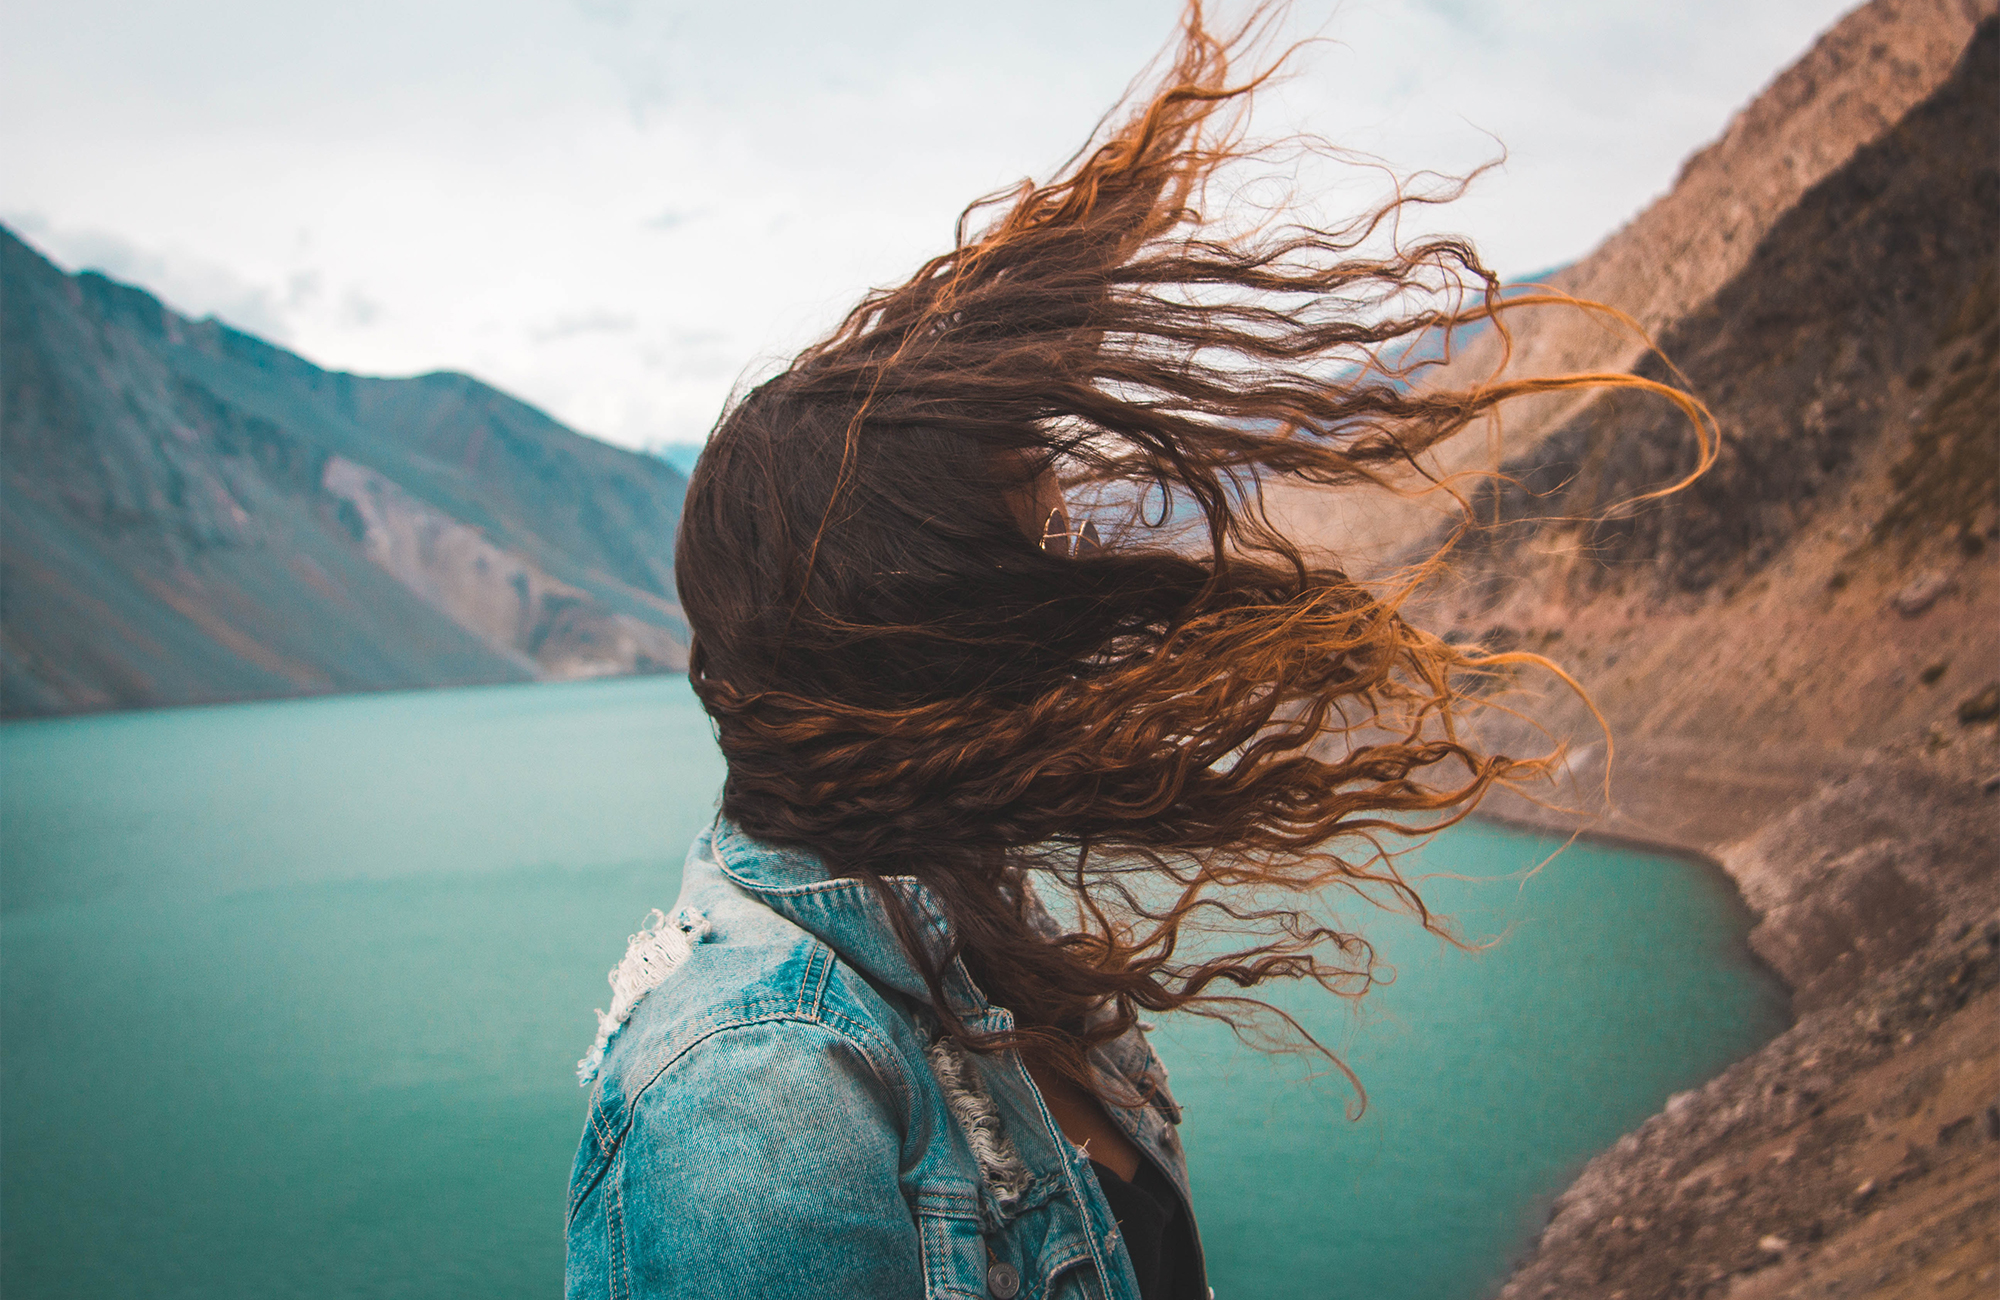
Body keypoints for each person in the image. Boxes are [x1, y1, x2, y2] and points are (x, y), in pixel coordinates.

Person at [563, 5, 1707, 1298]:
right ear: (906, 634)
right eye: (1025, 554)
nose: (1074, 591)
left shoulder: (963, 921)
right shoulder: (758, 1093)